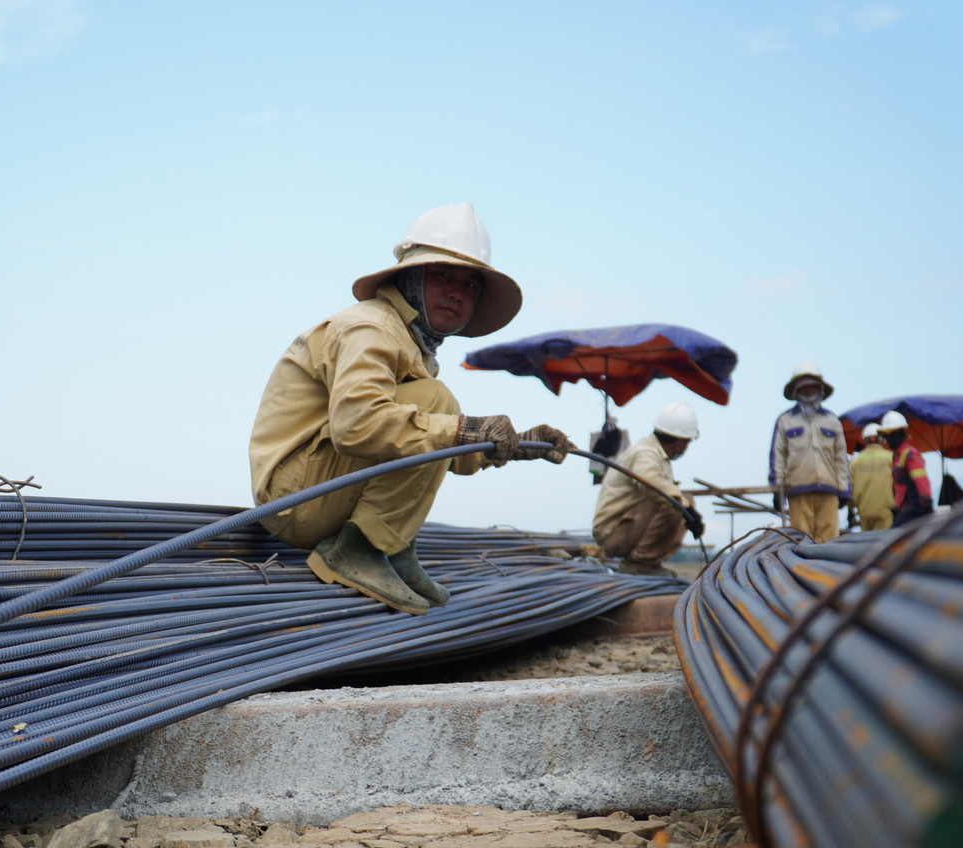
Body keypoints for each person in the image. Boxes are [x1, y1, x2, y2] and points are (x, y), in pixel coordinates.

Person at [248, 203, 572, 615]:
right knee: (438, 403)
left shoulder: (408, 341)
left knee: (437, 408)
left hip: (319, 488)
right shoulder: (371, 328)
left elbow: (427, 452)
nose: (457, 291)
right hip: (295, 501)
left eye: (471, 284)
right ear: (410, 277)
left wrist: (520, 444)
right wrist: (463, 429)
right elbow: (357, 426)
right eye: (443, 275)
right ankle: (359, 549)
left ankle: (391, 546)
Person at [592, 402, 703, 576]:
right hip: (613, 534)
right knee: (674, 502)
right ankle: (640, 564)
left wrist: (686, 504)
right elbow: (651, 483)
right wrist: (686, 507)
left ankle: (647, 562)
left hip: (622, 530)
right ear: (681, 443)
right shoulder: (645, 453)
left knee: (683, 499)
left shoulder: (656, 454)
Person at [767, 360, 852, 543]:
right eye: (804, 388)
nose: (808, 392)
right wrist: (776, 488)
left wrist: (844, 490)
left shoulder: (832, 421)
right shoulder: (785, 421)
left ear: (821, 390)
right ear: (795, 391)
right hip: (798, 490)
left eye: (812, 388)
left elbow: (840, 458)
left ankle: (828, 572)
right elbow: (777, 457)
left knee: (829, 541)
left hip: (829, 491)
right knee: (801, 542)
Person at [878, 410, 934, 527]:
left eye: (889, 435)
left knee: (894, 538)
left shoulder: (910, 454)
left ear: (899, 434)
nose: (887, 440)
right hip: (905, 509)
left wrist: (925, 502)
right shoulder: (896, 456)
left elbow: (921, 481)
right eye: (886, 436)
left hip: (916, 507)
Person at [849, 423, 894, 532]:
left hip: (864, 512)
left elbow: (850, 489)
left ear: (865, 440)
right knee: (886, 545)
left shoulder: (854, 462)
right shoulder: (891, 458)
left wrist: (851, 509)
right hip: (887, 511)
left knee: (868, 545)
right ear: (882, 439)